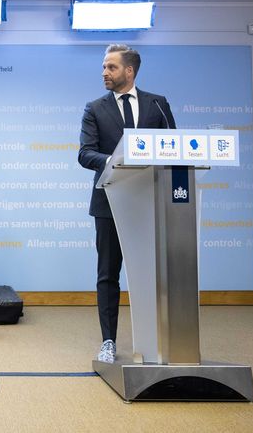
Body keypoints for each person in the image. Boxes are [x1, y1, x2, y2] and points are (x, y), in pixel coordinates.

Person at [78, 44, 175, 364]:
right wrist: (118, 161)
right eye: (104, 67)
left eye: (111, 67)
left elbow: (172, 147)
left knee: (153, 272)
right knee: (108, 273)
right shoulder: (94, 108)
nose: (104, 72)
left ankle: (158, 339)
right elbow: (85, 153)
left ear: (129, 71)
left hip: (149, 199)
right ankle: (108, 341)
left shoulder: (157, 105)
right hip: (109, 200)